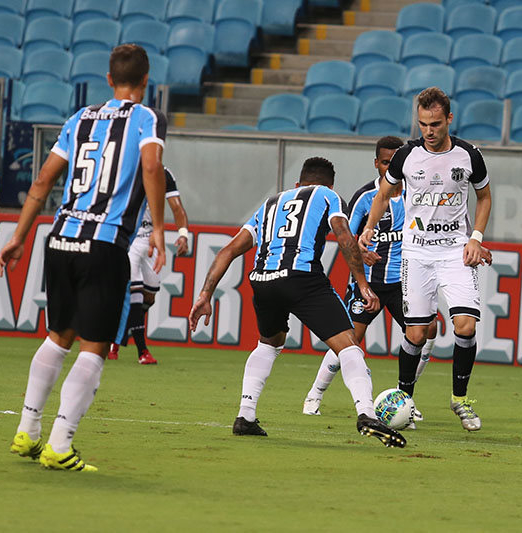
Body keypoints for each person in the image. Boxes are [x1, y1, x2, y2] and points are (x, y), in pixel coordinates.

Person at [0, 44, 167, 472]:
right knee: (96, 345)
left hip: (61, 238)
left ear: (109, 80)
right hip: (105, 244)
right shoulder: (146, 118)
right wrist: (160, 227)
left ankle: (27, 431)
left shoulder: (80, 118)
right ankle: (59, 444)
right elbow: (151, 168)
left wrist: (19, 235)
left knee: (59, 335)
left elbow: (42, 180)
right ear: (146, 82)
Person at [189, 157, 406, 448]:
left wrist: (205, 294)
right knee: (349, 346)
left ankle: (245, 416)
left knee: (269, 342)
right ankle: (366, 413)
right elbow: (343, 236)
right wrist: (363, 285)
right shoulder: (328, 196)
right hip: (302, 278)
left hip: (263, 279)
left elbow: (229, 250)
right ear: (330, 184)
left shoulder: (269, 203)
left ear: (297, 184)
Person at [302, 136, 492, 428]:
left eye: (394, 162)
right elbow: (347, 239)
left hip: (402, 280)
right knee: (349, 340)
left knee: (427, 330)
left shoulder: (415, 191)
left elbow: (444, 219)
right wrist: (361, 252)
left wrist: (474, 240)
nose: (391, 166)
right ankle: (315, 395)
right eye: (386, 162)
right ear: (377, 163)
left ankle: (406, 401)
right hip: (372, 283)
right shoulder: (366, 197)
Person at [359, 87, 492, 432]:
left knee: (466, 326)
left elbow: (485, 196)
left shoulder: (469, 155)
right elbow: (383, 195)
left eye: (435, 124)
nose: (428, 132)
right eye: (423, 124)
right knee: (416, 333)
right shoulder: (406, 156)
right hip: (416, 253)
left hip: (454, 252)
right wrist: (369, 229)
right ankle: (405, 399)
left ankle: (460, 400)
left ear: (449, 118)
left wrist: (475, 238)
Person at [110, 166, 190, 364]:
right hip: (128, 238)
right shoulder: (125, 169)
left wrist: (183, 235)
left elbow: (177, 207)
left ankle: (117, 334)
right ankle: (142, 351)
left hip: (151, 240)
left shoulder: (164, 174)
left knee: (149, 296)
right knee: (135, 290)